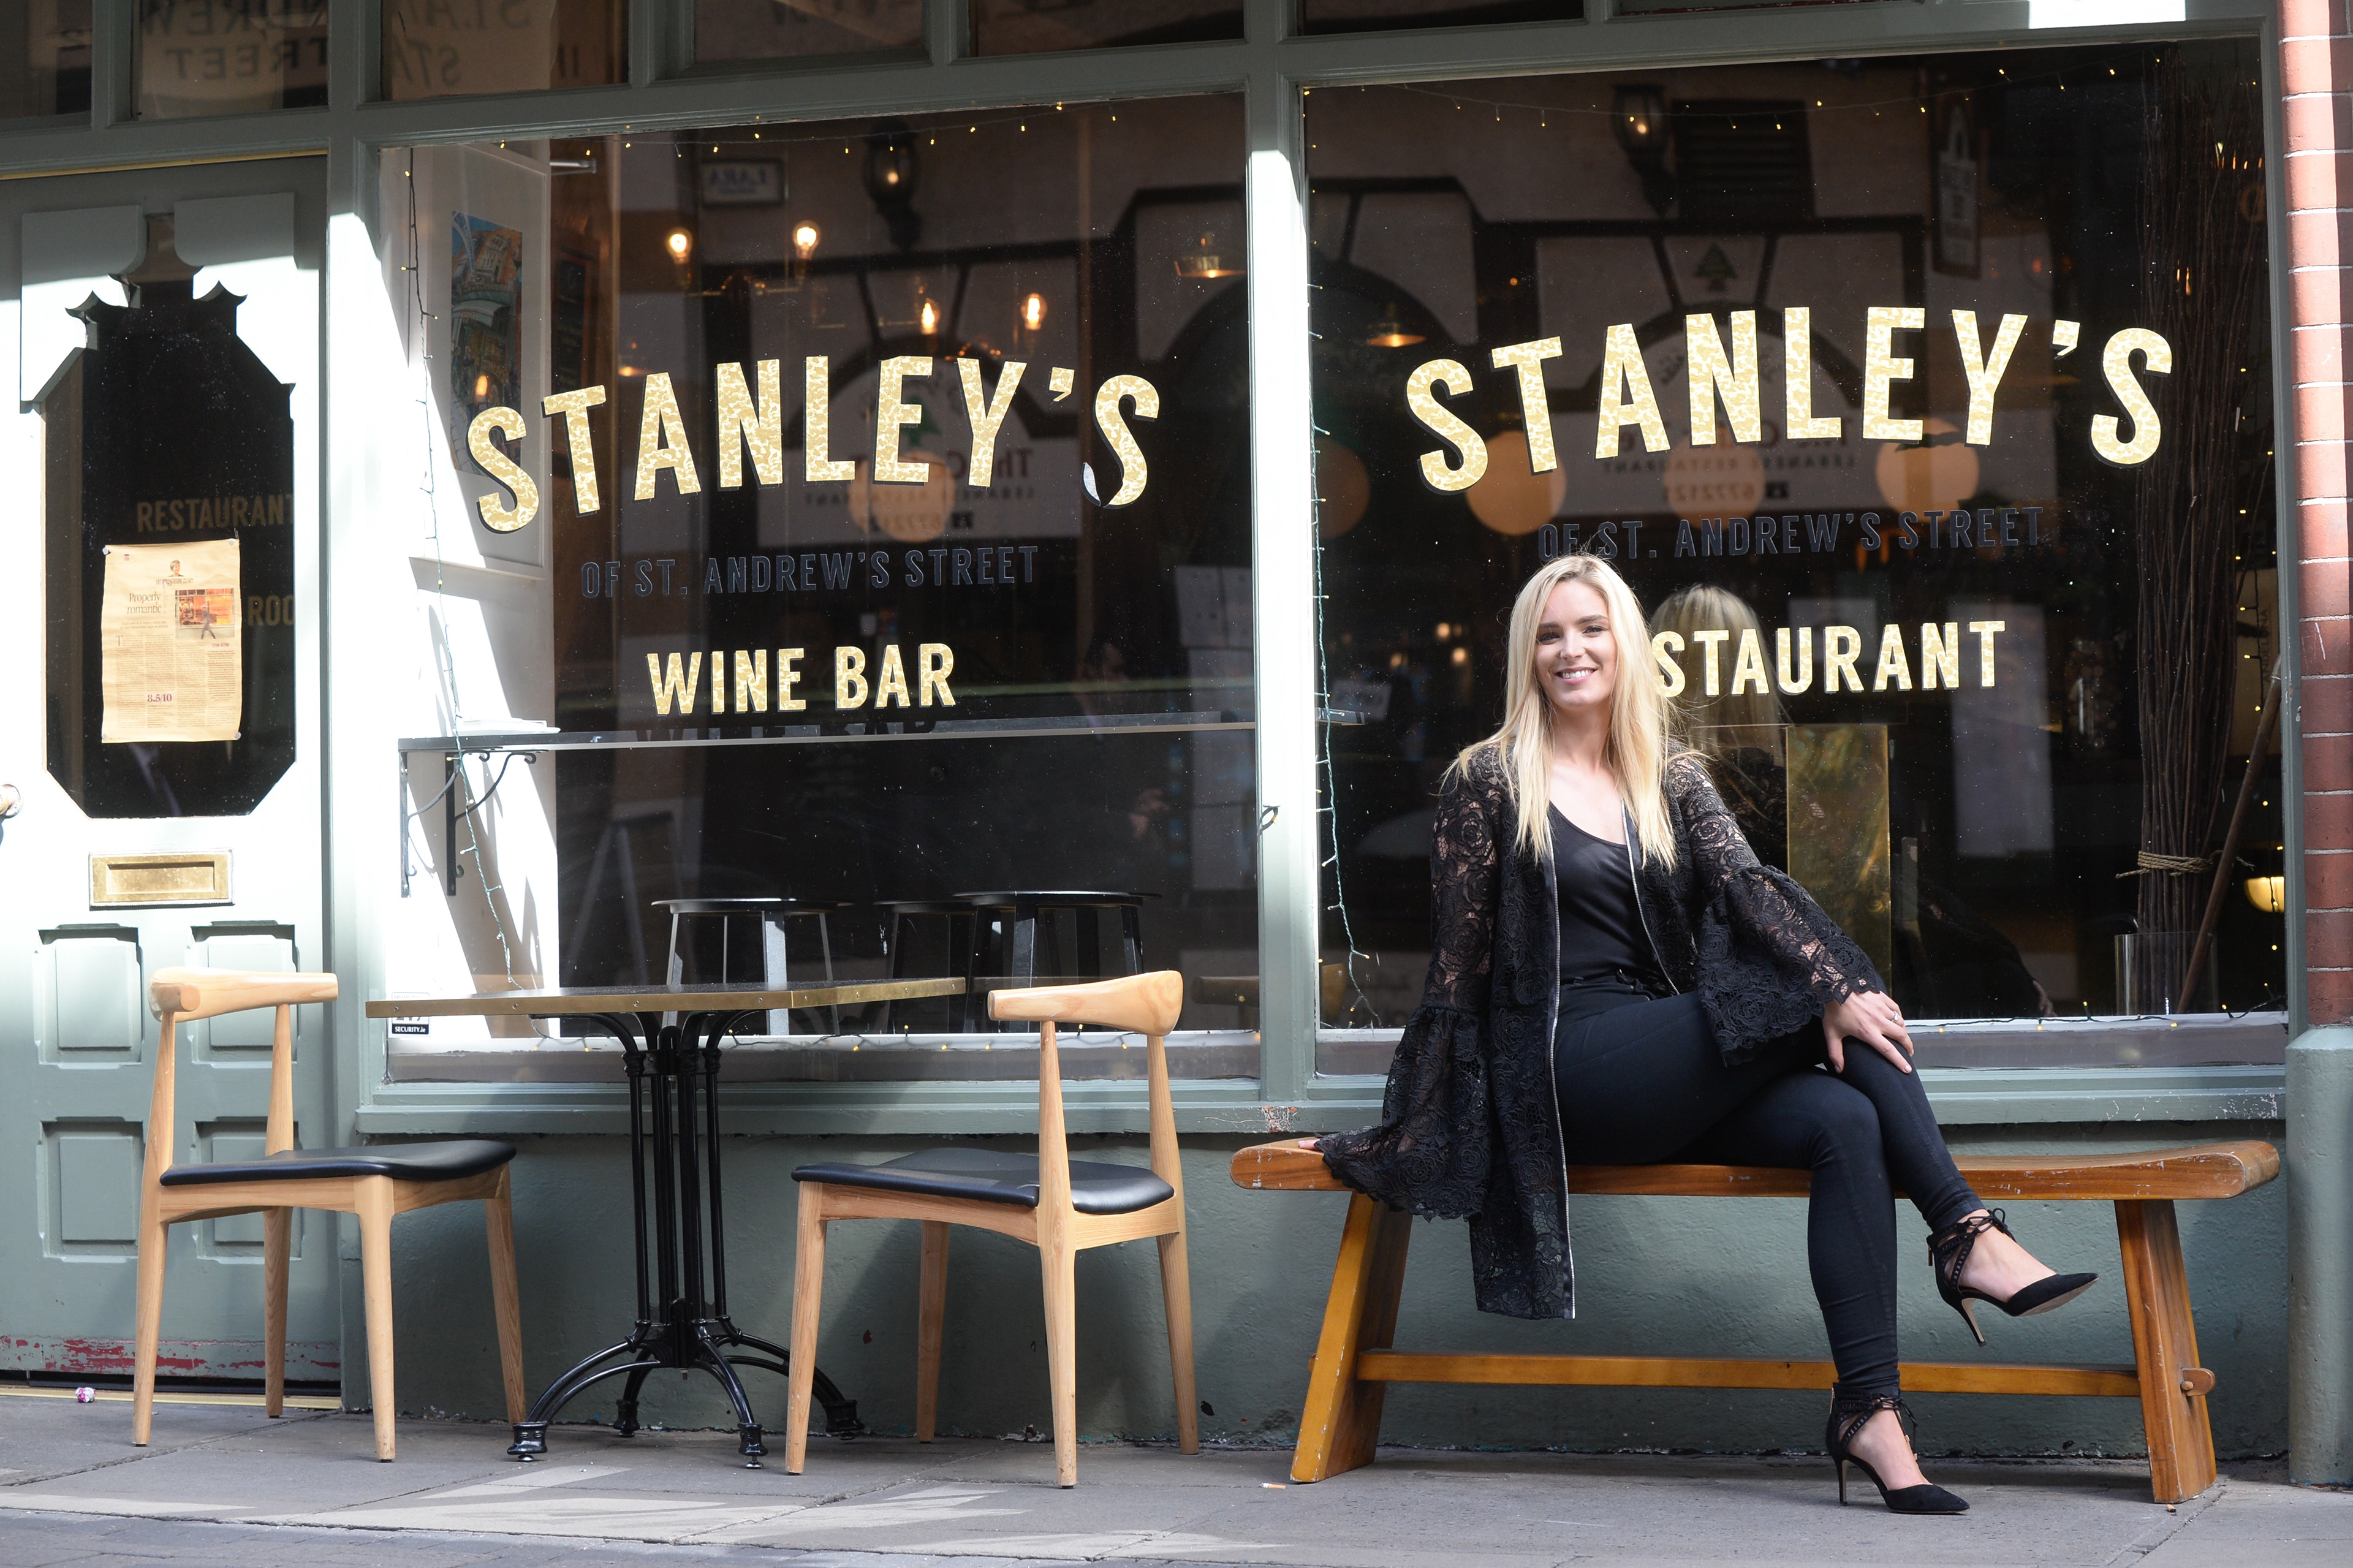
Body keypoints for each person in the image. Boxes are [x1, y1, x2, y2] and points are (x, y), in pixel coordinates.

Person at [1313, 555, 2096, 1515]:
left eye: (1591, 629)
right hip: (1562, 1066)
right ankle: (1965, 1233)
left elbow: (1747, 889)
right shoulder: (1489, 780)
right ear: (1527, 654)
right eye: (1550, 634)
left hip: (1671, 1060)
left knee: (1845, 1121)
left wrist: (1832, 985)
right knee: (1820, 999)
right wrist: (1413, 1122)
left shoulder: (1669, 773)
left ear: (1625, 645)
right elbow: (1455, 971)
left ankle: (1871, 1413)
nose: (1571, 650)